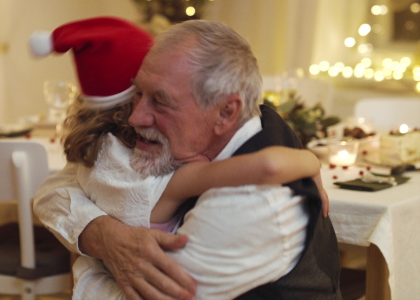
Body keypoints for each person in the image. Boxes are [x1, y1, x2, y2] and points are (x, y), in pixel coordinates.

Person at [32, 18, 341, 299]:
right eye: (137, 94)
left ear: (226, 112)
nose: (136, 118)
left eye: (161, 102)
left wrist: (88, 264)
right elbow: (52, 190)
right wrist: (104, 234)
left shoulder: (253, 201)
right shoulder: (156, 152)